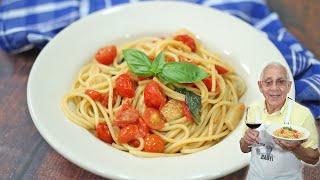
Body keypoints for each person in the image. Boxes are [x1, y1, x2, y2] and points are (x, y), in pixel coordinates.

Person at [239, 62, 320, 180]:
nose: (274, 88)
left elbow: (314, 158)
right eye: (268, 82)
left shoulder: (302, 114)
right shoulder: (253, 109)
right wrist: (246, 141)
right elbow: (244, 148)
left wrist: (296, 148)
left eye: (281, 82)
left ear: (289, 86)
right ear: (260, 86)